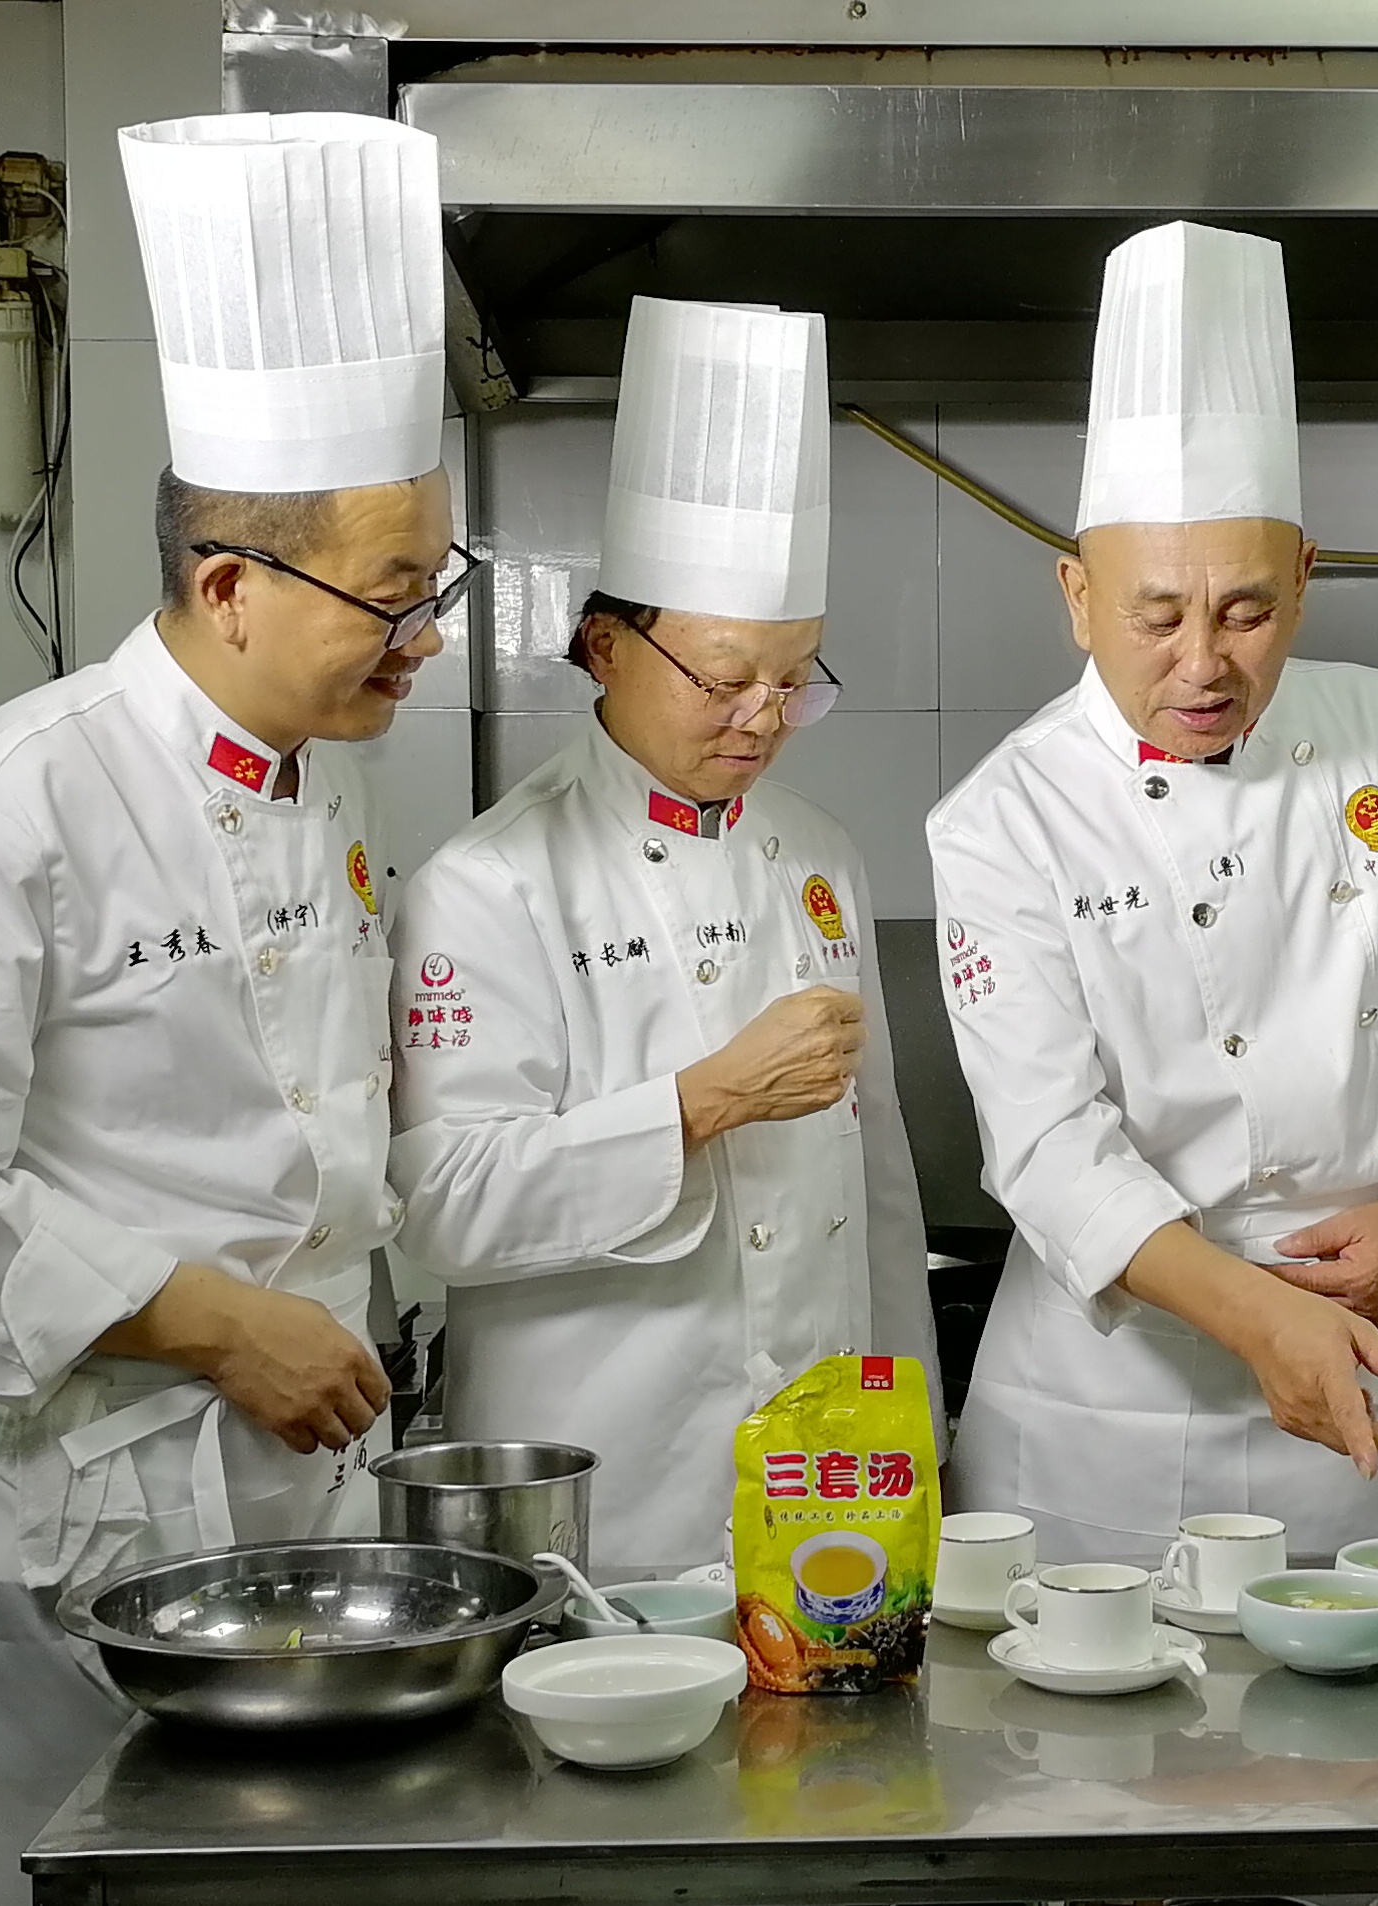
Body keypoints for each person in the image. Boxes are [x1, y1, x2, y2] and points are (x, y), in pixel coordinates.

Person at [0, 111, 456, 1905]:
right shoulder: (13, 797)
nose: (425, 636)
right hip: (95, 1498)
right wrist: (214, 1323)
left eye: (434, 587)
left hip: (301, 1492)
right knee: (113, 1885)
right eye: (394, 596)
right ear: (229, 584)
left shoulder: (325, 784)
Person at [928, 221, 1378, 1564]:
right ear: (1075, 596)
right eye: (1156, 612)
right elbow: (1048, 1144)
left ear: (1307, 578)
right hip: (1122, 1420)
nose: (1204, 661)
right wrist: (1264, 1316)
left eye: (1249, 610)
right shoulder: (1002, 814)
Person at [389, 296, 934, 1568]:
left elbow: (883, 1173)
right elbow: (440, 1207)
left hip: (826, 1481)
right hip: (610, 1492)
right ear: (602, 644)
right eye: (725, 675)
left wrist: (915, 1433)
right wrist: (702, 1101)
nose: (763, 717)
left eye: (796, 679)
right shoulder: (490, 881)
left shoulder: (819, 854)